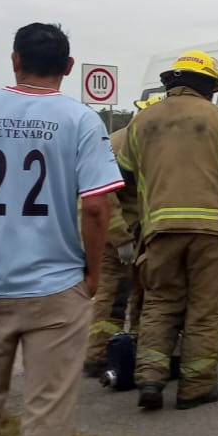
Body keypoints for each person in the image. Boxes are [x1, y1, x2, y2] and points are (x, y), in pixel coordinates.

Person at [0, 23, 123, 436]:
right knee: (47, 417)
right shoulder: (82, 120)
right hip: (56, 288)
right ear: (68, 67)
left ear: (15, 60)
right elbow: (95, 207)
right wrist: (91, 275)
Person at [119, 50, 218, 411]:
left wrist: (134, 227)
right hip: (215, 235)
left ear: (171, 82)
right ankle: (196, 386)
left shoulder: (140, 123)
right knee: (205, 310)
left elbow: (121, 184)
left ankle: (150, 380)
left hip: (159, 233)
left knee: (159, 303)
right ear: (211, 86)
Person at [83, 125, 143, 377]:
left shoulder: (141, 138)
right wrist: (120, 238)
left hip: (139, 231)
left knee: (145, 296)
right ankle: (99, 355)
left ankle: (137, 352)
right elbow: (104, 197)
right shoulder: (119, 145)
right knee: (114, 297)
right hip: (116, 233)